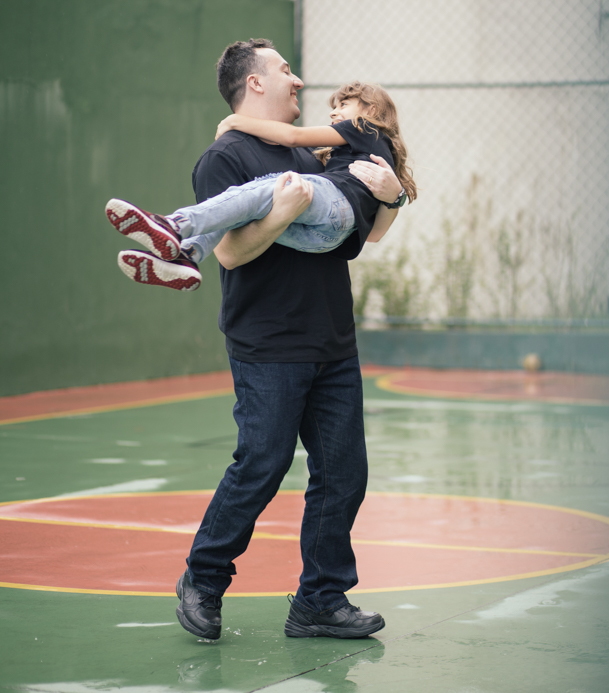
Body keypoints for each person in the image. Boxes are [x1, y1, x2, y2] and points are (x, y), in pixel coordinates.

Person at [168, 38, 403, 640]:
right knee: (262, 465)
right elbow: (230, 253)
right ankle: (203, 580)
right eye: (285, 70)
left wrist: (392, 196)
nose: (297, 81)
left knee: (344, 473)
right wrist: (281, 211)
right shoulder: (225, 157)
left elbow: (355, 235)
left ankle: (320, 600)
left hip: (332, 339)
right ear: (254, 83)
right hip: (269, 342)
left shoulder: (317, 155)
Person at [108, 81, 417, 291]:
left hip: (334, 204)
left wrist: (235, 121)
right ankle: (188, 253)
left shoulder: (365, 128)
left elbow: (293, 137)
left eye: (344, 104)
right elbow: (373, 235)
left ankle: (175, 225)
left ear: (371, 111)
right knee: (241, 212)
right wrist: (395, 198)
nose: (334, 112)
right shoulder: (357, 154)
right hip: (326, 239)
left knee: (263, 188)